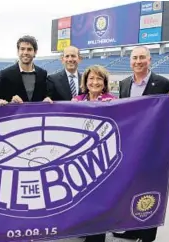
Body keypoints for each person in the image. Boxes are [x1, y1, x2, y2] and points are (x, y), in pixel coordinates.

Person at [112, 46, 169, 242]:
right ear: (130, 61)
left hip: (152, 149)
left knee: (150, 189)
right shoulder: (124, 84)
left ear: (149, 60)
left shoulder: (163, 83)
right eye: (135, 58)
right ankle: (132, 228)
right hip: (130, 147)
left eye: (142, 57)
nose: (138, 61)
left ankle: (147, 234)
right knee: (130, 187)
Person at [72, 65, 115, 242]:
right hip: (79, 157)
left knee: (99, 197)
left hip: (102, 157)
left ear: (104, 83)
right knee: (82, 195)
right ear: (85, 81)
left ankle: (97, 237)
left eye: (99, 79)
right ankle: (83, 228)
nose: (95, 82)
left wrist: (112, 108)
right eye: (91, 78)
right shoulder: (76, 99)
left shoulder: (112, 100)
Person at [0, 35, 51, 104]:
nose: (25, 52)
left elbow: (45, 97)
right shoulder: (5, 74)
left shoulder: (42, 74)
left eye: (29, 49)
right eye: (22, 49)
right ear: (18, 51)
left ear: (35, 52)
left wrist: (46, 99)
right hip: (15, 114)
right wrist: (10, 102)